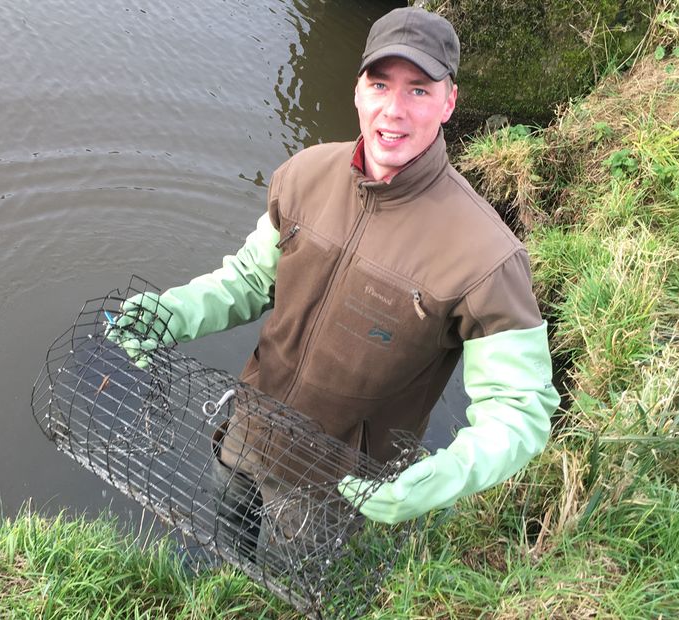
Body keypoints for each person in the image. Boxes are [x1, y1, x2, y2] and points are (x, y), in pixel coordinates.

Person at [110, 7, 559, 530]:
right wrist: (175, 312)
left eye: (418, 90)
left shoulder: (486, 257)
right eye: (379, 84)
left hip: (337, 490)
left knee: (293, 592)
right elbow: (252, 279)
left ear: (449, 102)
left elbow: (519, 409)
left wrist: (446, 474)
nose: (393, 111)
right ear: (357, 90)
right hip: (246, 432)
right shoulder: (304, 174)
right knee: (226, 532)